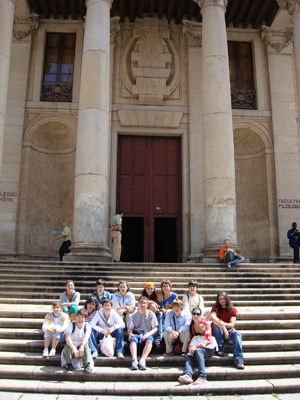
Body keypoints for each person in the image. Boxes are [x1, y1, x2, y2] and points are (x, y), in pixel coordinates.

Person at [178, 307, 217, 385]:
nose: (196, 315)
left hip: (208, 348)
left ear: (201, 315)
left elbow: (208, 340)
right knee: (189, 353)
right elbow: (193, 338)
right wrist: (190, 346)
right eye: (194, 314)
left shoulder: (205, 324)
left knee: (198, 350)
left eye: (198, 314)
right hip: (197, 345)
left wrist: (196, 346)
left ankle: (202, 376)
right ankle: (188, 374)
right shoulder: (192, 325)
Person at [210, 291, 244, 370]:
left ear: (227, 299)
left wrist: (224, 325)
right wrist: (223, 327)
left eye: (223, 298)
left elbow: (232, 324)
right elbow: (213, 317)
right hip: (219, 333)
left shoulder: (232, 309)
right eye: (219, 299)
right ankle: (220, 348)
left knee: (237, 334)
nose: (222, 301)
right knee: (214, 324)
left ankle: (239, 359)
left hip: (230, 333)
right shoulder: (215, 308)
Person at [127, 296, 158, 370]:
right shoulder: (134, 315)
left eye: (144, 303)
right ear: (138, 304)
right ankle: (134, 360)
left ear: (147, 305)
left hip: (147, 333)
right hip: (137, 333)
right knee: (133, 339)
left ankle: (142, 360)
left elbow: (155, 328)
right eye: (141, 302)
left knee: (150, 340)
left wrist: (147, 334)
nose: (142, 305)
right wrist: (130, 334)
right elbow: (130, 328)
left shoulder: (151, 314)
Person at [63, 308, 93, 373]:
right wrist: (73, 348)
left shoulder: (87, 327)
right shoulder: (71, 325)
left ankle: (86, 364)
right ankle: (69, 363)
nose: (80, 319)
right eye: (78, 317)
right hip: (72, 347)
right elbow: (67, 338)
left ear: (85, 318)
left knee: (86, 345)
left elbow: (86, 337)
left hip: (81, 347)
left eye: (82, 318)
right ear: (76, 317)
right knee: (67, 345)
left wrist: (82, 346)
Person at [155, 279, 178, 345]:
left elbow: (176, 306)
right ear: (162, 288)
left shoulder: (174, 296)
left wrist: (169, 310)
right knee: (160, 314)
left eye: (167, 286)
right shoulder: (160, 296)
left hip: (171, 312)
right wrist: (163, 310)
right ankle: (159, 336)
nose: (165, 288)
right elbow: (159, 307)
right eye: (164, 286)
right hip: (162, 312)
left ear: (170, 287)